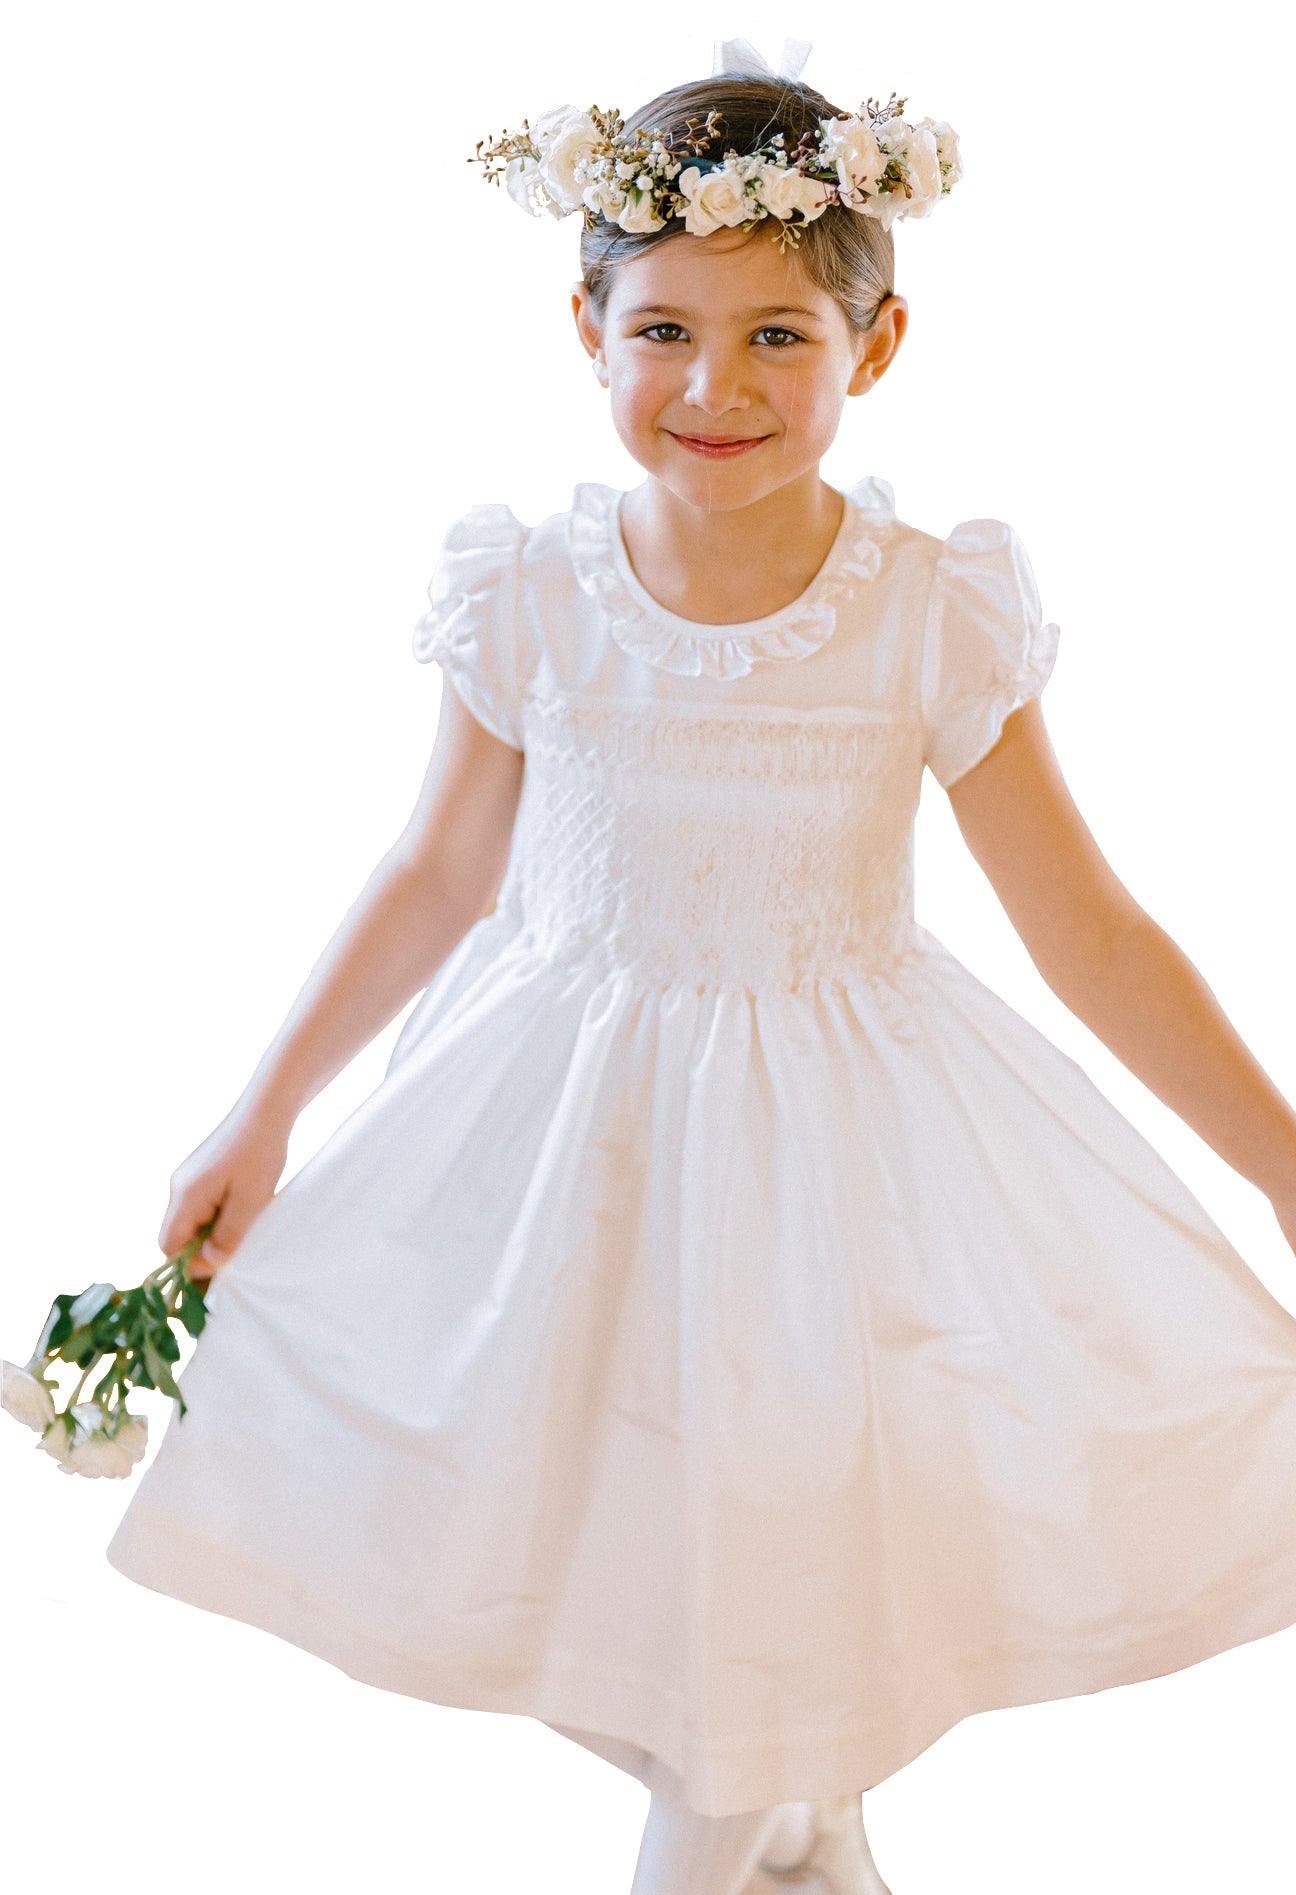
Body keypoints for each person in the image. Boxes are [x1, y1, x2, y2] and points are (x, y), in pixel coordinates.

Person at [105, 36, 1296, 1895]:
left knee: (781, 1540)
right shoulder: (534, 587)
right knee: (623, 1533)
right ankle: (799, 1827)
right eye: (662, 331)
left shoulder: (925, 608)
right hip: (574, 1138)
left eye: (776, 341)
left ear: (872, 351)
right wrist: (263, 1110)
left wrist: (1287, 1159)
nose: (712, 386)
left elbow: (1095, 926)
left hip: (843, 1164)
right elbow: (436, 867)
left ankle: (754, 1830)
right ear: (581, 326)